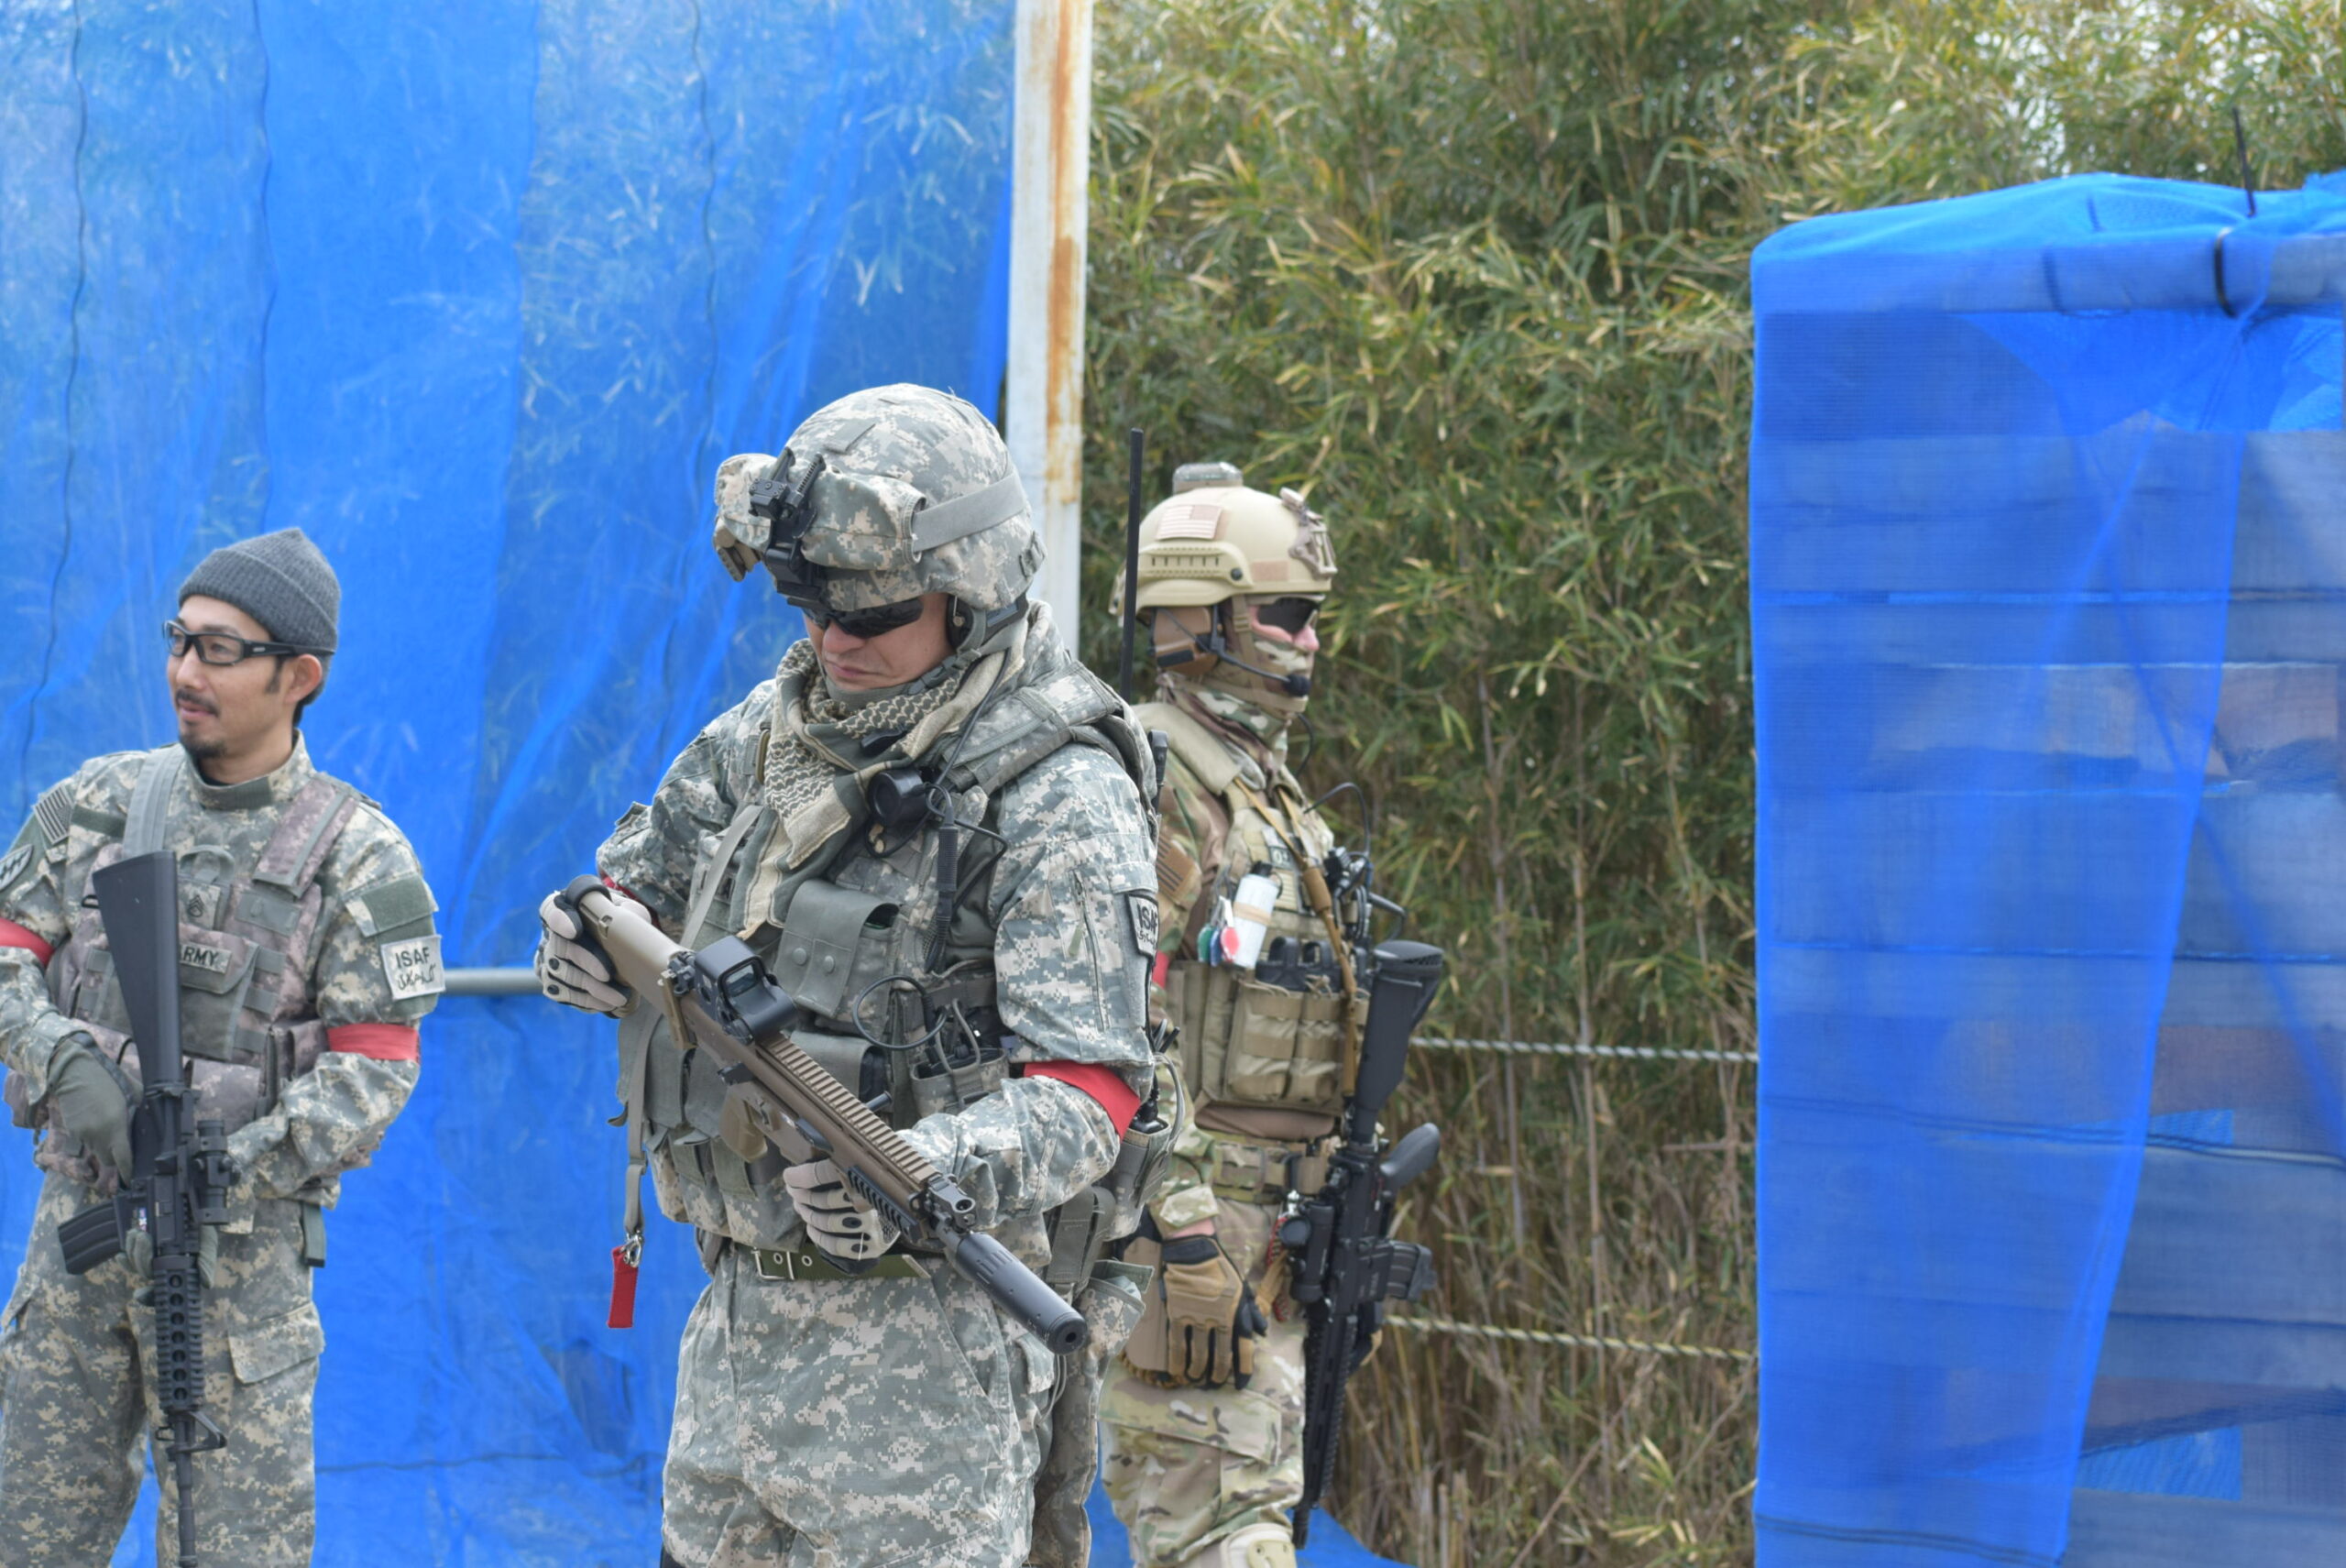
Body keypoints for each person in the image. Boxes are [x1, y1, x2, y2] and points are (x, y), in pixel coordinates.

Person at [533, 383, 1162, 1568]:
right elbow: (632, 889)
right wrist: (580, 943)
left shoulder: (1055, 789)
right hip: (737, 1328)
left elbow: (1093, 1094)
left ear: (971, 590)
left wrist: (916, 1171)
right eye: (809, 602)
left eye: (873, 611)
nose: (835, 640)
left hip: (927, 1365)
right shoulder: (773, 730)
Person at [0, 528, 442, 1567]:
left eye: (220, 650)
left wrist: (227, 1167)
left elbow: (378, 1065)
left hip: (236, 1281)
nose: (185, 671)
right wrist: (58, 1055)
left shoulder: (362, 860)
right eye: (179, 640)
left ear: (301, 676)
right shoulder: (98, 803)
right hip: (77, 1257)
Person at [1100, 464, 1358, 1568]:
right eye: (1284, 613)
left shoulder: (1262, 784)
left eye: (1312, 615)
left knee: (1252, 1511)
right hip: (1196, 1229)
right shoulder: (1162, 777)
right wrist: (1183, 1224)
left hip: (1274, 1226)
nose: (1308, 640)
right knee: (1217, 1528)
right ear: (1199, 619)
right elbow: (1114, 1016)